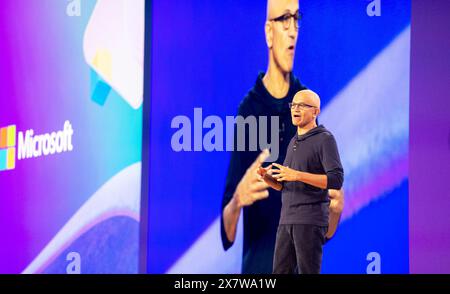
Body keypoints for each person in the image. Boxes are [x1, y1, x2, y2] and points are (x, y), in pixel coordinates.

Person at [220, 0, 343, 274]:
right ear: (268, 32)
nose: (292, 30)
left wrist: (334, 211)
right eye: (284, 19)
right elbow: (226, 233)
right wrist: (239, 198)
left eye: (296, 19)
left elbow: (321, 231)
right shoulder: (249, 110)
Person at [266, 89, 344, 274]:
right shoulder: (294, 140)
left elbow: (336, 179)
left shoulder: (324, 139)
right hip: (286, 221)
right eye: (293, 105)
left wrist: (297, 175)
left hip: (309, 221)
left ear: (316, 111)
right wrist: (269, 179)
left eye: (302, 105)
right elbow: (287, 183)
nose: (296, 109)